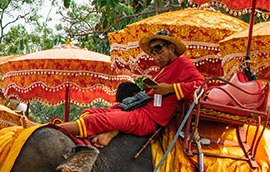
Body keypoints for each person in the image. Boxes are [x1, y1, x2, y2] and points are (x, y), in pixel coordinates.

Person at [30, 30, 205, 147]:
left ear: (171, 47)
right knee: (93, 112)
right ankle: (110, 133)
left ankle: (45, 128)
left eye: (159, 51)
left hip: (149, 119)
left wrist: (170, 89)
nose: (156, 56)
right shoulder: (163, 70)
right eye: (153, 52)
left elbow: (202, 85)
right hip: (139, 109)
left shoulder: (182, 63)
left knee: (97, 121)